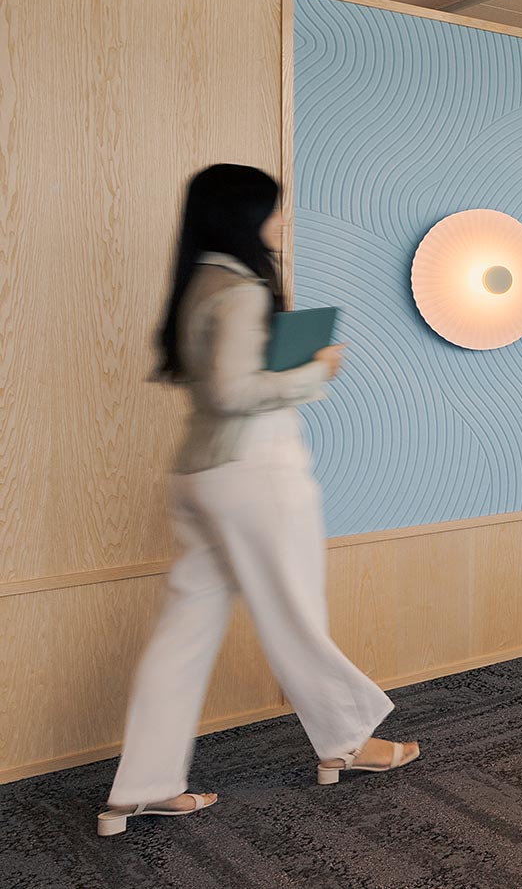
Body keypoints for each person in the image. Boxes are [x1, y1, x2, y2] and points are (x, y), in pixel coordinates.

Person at [99, 165, 418, 838]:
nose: (280, 222)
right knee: (295, 612)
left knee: (183, 633)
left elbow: (213, 386)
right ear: (244, 216)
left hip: (199, 474)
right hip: (254, 470)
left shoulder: (198, 284)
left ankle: (141, 787)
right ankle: (347, 741)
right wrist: (314, 368)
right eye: (273, 210)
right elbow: (232, 391)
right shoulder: (241, 289)